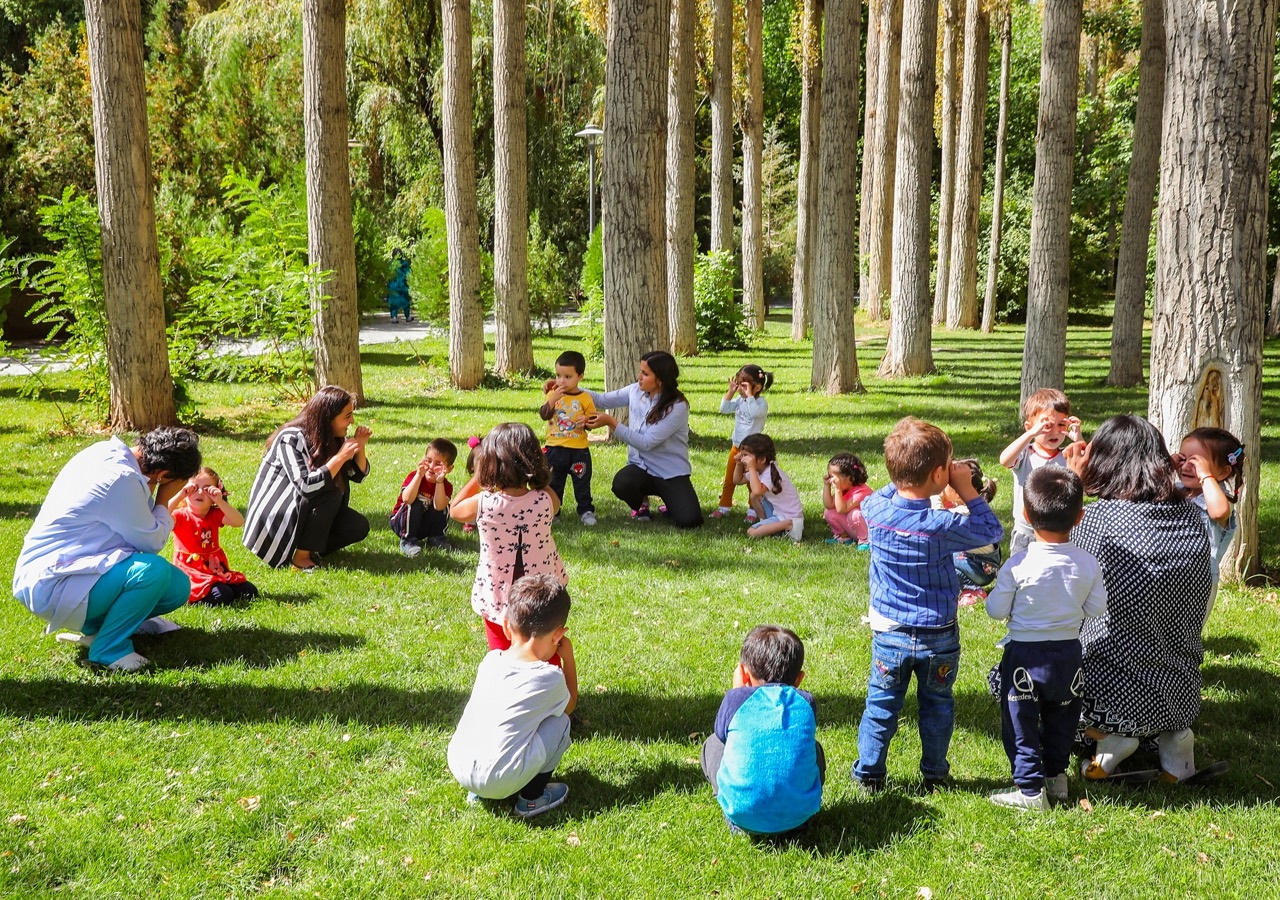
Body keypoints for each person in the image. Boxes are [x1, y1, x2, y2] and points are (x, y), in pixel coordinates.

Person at [1063, 415, 1218, 784]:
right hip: (1179, 684)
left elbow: (1058, 561)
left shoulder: (1098, 518)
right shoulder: (1191, 516)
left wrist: (1074, 484)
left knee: (1023, 670)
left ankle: (1118, 736)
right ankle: (1176, 742)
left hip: (1116, 681)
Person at [851, 417, 1003, 792]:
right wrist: (967, 491)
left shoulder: (875, 511)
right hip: (938, 634)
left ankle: (870, 773)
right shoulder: (942, 524)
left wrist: (906, 472)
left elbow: (891, 490)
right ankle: (934, 773)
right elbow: (991, 532)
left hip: (889, 632)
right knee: (937, 704)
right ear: (940, 475)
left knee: (881, 704)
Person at [12, 427, 202, 672]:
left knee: (176, 586)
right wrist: (164, 497)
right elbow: (151, 541)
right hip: (54, 584)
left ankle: (100, 630)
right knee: (152, 572)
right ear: (164, 474)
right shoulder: (122, 480)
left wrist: (157, 487)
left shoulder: (104, 451)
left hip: (62, 572)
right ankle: (108, 650)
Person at [985, 467, 1108, 810]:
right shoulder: (1087, 563)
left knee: (1020, 722)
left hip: (1024, 657)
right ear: (1080, 517)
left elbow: (995, 611)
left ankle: (1029, 790)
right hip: (1068, 654)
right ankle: (1056, 778)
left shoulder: (1018, 564)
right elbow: (1097, 609)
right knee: (1063, 719)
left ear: (1026, 515)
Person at [447, 573, 578, 819]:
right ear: (558, 636)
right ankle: (531, 799)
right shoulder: (548, 677)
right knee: (560, 723)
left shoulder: (490, 661)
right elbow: (569, 706)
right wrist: (568, 659)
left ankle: (478, 792)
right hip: (499, 779)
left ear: (506, 626)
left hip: (460, 766)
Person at [448, 423, 566, 654]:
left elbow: (455, 510)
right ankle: (551, 688)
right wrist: (538, 479)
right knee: (545, 655)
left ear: (490, 463)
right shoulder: (544, 500)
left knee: (501, 655)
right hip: (543, 595)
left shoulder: (484, 503)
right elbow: (556, 502)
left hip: (498, 595)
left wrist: (478, 476)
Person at [701, 625, 824, 836]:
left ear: (744, 673)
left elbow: (721, 734)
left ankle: (731, 799)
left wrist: (737, 690)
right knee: (814, 748)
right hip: (800, 819)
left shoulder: (736, 699)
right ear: (799, 679)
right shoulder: (806, 701)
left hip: (741, 818)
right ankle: (795, 801)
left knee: (712, 743)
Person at [243, 386, 371, 570]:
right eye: (347, 416)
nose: (352, 421)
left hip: (303, 511)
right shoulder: (290, 438)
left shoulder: (331, 437)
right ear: (328, 418)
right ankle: (300, 557)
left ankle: (308, 548)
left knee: (357, 526)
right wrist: (340, 457)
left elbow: (356, 475)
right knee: (331, 494)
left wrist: (360, 446)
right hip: (277, 520)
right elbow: (306, 485)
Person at [583, 350, 703, 528]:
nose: (639, 376)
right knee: (622, 484)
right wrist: (568, 387)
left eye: (645, 373)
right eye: (640, 371)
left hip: (669, 472)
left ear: (660, 380)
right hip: (641, 468)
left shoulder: (678, 406)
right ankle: (642, 504)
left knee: (690, 521)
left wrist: (611, 423)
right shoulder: (635, 391)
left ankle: (670, 500)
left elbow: (647, 443)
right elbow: (601, 400)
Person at [999, 389, 1083, 557]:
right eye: (1046, 426)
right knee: (1021, 576)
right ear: (1030, 427)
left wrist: (1079, 438)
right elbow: (1005, 460)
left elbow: (1086, 467)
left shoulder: (1067, 455)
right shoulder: (1025, 454)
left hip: (1061, 532)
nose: (1054, 432)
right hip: (1026, 532)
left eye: (1061, 425)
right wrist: (1030, 434)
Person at [1173, 427, 1244, 619]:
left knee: (1187, 628)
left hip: (1198, 580)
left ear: (1222, 472)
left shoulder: (1218, 499)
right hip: (1168, 570)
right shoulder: (1176, 490)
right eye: (1183, 458)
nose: (1186, 466)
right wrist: (1166, 466)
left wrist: (1205, 476)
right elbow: (1146, 495)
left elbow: (1219, 512)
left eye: (1197, 462)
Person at [168, 466, 259, 605]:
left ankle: (220, 587)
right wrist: (179, 495)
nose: (200, 492)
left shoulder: (214, 515)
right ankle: (190, 598)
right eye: (194, 488)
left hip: (215, 569)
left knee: (250, 591)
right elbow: (162, 515)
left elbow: (238, 521)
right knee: (223, 595)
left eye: (206, 489)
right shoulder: (180, 515)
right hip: (191, 571)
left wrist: (220, 501)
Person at [539, 350, 598, 526]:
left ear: (580, 376)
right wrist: (552, 400)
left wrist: (586, 420)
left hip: (579, 450)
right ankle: (554, 511)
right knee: (554, 482)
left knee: (582, 483)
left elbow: (593, 419)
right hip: (554, 448)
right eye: (558, 375)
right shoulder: (553, 394)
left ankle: (586, 511)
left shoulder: (585, 398)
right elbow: (543, 414)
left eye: (567, 376)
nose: (561, 381)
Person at [938, 459, 1002, 607]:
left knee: (940, 557)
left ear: (957, 491)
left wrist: (937, 498)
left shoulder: (963, 512)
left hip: (980, 569)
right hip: (984, 566)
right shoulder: (976, 508)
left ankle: (972, 590)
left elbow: (938, 520)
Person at [712, 364, 773, 520]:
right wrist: (731, 392)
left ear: (757, 388)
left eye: (744, 386)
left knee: (752, 481)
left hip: (753, 451)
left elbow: (754, 414)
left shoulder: (760, 403)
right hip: (736, 447)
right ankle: (724, 506)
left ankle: (753, 510)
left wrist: (750, 396)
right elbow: (724, 409)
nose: (740, 389)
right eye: (738, 384)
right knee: (730, 479)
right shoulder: (740, 400)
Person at [390, 437, 457, 557]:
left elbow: (439, 506)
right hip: (401, 523)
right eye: (428, 460)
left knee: (444, 506)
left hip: (423, 524)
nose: (431, 467)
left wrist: (439, 482)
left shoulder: (446, 486)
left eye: (438, 464)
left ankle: (436, 537)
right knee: (415, 503)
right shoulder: (414, 477)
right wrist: (419, 475)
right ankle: (408, 541)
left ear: (449, 469)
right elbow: (407, 499)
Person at [734, 433, 804, 542]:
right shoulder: (759, 470)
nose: (743, 459)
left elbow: (757, 491)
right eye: (742, 455)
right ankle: (766, 523)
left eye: (746, 456)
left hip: (790, 518)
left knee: (751, 532)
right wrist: (738, 464)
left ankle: (788, 525)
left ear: (761, 459)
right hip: (778, 512)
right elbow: (737, 481)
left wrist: (751, 469)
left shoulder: (770, 473)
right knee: (753, 496)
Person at [821, 451, 872, 548]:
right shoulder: (844, 489)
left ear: (850, 479)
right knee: (829, 512)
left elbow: (842, 509)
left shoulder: (861, 492)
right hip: (853, 529)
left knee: (854, 514)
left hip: (867, 529)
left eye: (833, 477)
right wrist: (826, 485)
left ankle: (866, 541)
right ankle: (844, 537)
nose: (831, 480)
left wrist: (837, 489)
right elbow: (829, 505)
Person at [386, 248, 412, 322]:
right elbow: (408, 273)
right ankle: (403, 316)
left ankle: (398, 317)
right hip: (398, 285)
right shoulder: (402, 263)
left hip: (398, 285)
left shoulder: (394, 263)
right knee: (399, 301)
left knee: (401, 301)